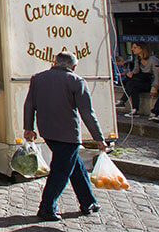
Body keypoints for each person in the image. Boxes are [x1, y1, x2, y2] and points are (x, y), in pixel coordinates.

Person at [24, 51, 109, 221]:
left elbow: (29, 104)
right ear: (74, 66)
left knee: (75, 167)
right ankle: (47, 207)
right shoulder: (77, 81)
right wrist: (99, 138)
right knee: (60, 171)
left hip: (47, 131)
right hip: (68, 134)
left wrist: (28, 127)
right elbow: (87, 113)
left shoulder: (38, 78)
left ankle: (88, 201)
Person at [123, 42, 159, 117]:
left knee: (131, 84)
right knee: (132, 85)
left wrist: (155, 87)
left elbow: (157, 75)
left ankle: (123, 101)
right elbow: (136, 70)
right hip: (142, 81)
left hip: (150, 82)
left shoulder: (153, 60)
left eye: (135, 47)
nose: (132, 49)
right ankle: (135, 109)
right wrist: (131, 73)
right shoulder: (138, 58)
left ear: (141, 48)